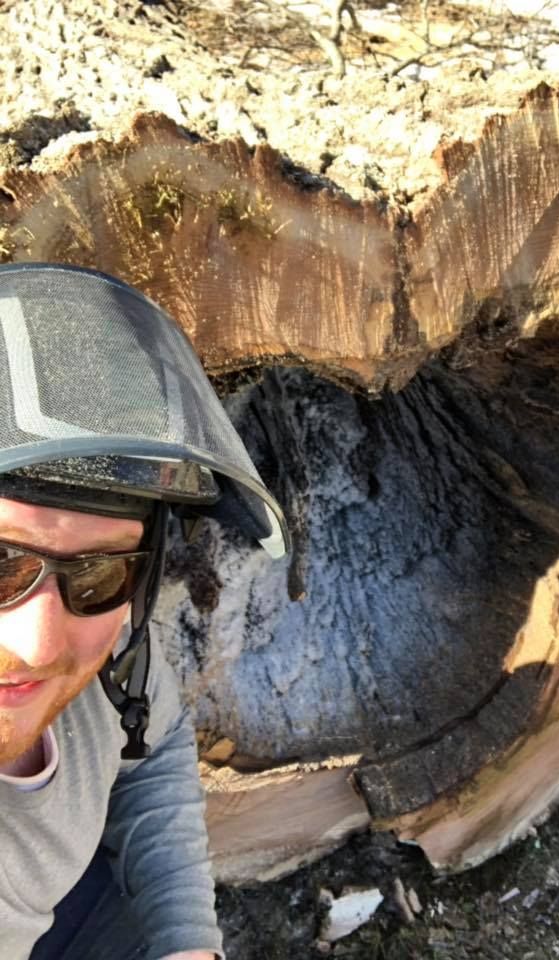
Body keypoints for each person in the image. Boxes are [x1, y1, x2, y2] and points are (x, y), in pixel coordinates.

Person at [0, 263, 290, 959]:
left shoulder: (116, 651)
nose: (40, 641)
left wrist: (184, 938)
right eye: (2, 565)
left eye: (102, 571)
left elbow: (148, 743)